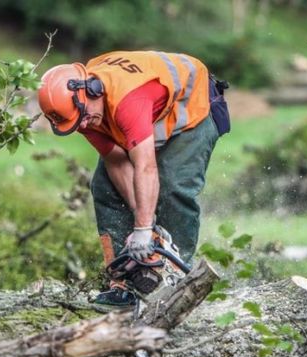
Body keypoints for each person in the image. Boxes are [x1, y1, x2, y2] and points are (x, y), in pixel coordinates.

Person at [38, 50, 229, 309]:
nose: (83, 125)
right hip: (150, 115)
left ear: (92, 90)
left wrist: (143, 230)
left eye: (82, 117)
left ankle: (176, 277)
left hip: (193, 107)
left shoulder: (127, 100)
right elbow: (116, 161)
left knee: (173, 184)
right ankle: (123, 282)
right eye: (76, 123)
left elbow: (146, 167)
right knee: (104, 187)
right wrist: (145, 222)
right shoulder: (83, 113)